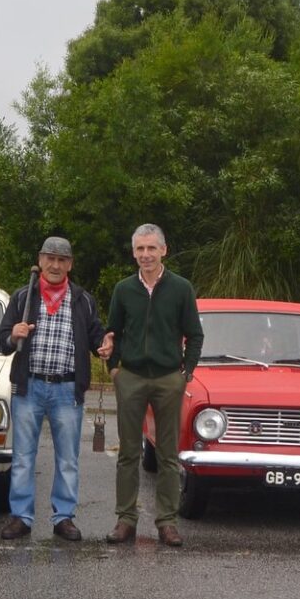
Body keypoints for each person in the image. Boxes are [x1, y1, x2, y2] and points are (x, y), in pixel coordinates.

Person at [0, 236, 113, 541]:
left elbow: (96, 336)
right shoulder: (23, 297)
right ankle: (21, 516)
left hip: (67, 389)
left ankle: (63, 517)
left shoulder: (83, 300)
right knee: (23, 457)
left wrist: (104, 345)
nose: (56, 265)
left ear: (70, 264)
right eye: (50, 258)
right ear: (41, 260)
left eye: (62, 260)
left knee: (68, 459)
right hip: (29, 387)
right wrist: (14, 335)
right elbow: (2, 341)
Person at [104, 223, 203, 547]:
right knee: (128, 452)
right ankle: (125, 519)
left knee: (168, 454)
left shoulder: (181, 288)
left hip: (168, 379)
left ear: (163, 250)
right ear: (133, 252)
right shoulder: (123, 289)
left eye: (151, 248)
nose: (145, 254)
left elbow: (195, 334)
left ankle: (167, 522)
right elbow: (113, 332)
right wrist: (114, 368)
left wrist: (186, 372)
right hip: (131, 377)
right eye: (140, 249)